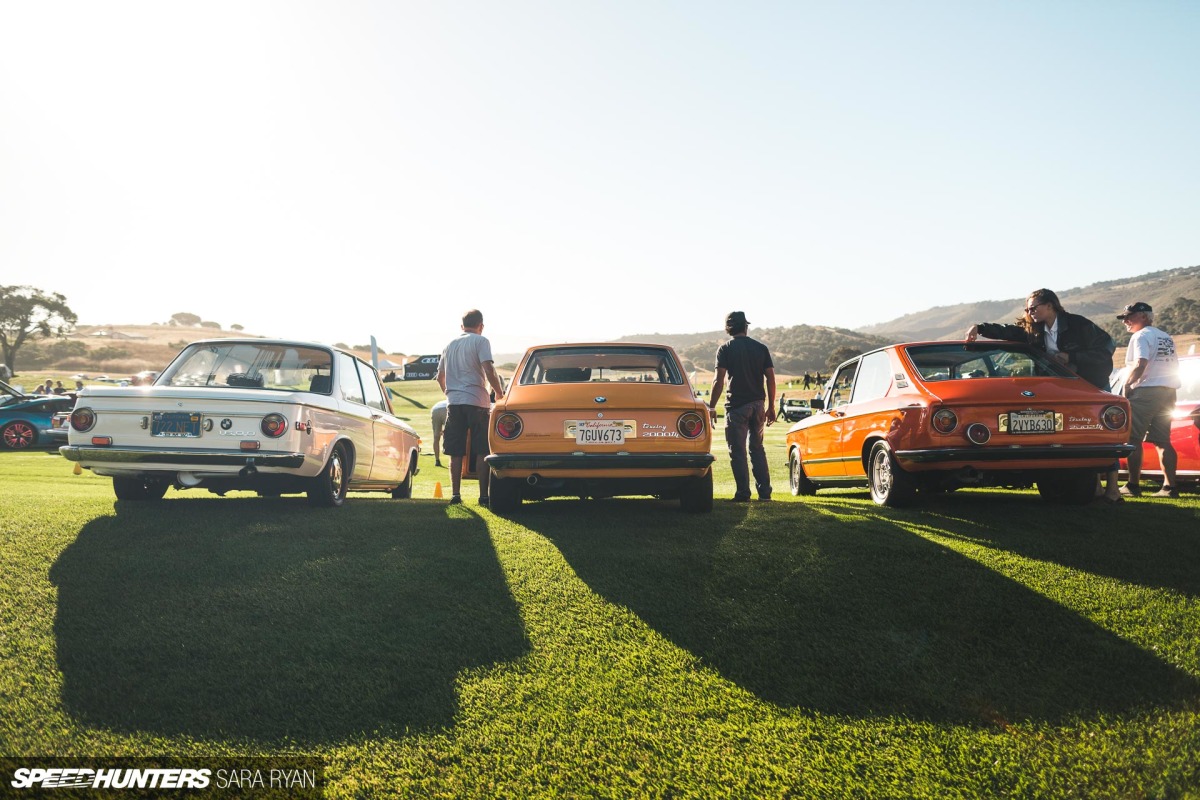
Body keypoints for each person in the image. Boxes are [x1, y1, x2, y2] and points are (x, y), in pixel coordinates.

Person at [966, 288, 1121, 501]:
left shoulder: (1078, 324)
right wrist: (980, 328)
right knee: (1080, 435)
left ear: (1050, 305)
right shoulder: (1034, 330)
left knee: (1103, 435)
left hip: (1093, 383)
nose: (1030, 312)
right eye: (1027, 309)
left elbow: (1107, 347)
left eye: (1034, 308)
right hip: (1062, 389)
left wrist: (1072, 356)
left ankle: (1113, 489)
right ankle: (1094, 488)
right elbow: (1009, 332)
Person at [436, 309, 505, 505]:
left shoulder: (449, 345)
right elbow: (489, 369)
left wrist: (449, 393)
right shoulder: (481, 341)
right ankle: (483, 496)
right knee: (482, 450)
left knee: (455, 452)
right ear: (481, 325)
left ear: (462, 326)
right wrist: (498, 392)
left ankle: (456, 495)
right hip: (477, 401)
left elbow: (440, 376)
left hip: (454, 403)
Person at [707, 311, 776, 501]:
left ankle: (743, 494)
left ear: (729, 328)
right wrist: (771, 406)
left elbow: (718, 381)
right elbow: (770, 377)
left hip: (737, 407)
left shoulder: (725, 349)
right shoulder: (761, 348)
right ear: (746, 326)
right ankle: (765, 493)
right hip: (758, 405)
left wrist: (711, 407)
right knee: (757, 449)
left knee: (737, 451)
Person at [1116, 302, 1181, 498]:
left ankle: (1133, 486)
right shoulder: (1165, 336)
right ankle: (1170, 487)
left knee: (1133, 439)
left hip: (1146, 391)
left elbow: (1140, 363)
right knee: (1163, 441)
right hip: (1169, 391)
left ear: (1144, 317)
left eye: (1130, 316)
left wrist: (1127, 386)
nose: (1126, 321)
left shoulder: (1141, 336)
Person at [430, 399, 448, 468]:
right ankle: (451, 460)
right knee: (450, 435)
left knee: (436, 436)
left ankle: (437, 460)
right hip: (446, 409)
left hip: (435, 409)